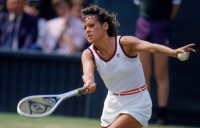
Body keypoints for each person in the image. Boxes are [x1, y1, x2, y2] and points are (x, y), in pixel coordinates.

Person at [80, 5, 195, 128]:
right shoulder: (88, 54)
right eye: (85, 27)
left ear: (105, 26)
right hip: (112, 102)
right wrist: (88, 82)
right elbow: (88, 73)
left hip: (137, 102)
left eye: (91, 25)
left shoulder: (125, 43)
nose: (87, 30)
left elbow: (151, 47)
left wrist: (173, 52)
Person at [134, 0, 182, 125]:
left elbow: (176, 5)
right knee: (143, 73)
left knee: (161, 73)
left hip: (162, 26)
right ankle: (144, 112)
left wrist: (166, 21)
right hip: (143, 24)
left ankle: (162, 115)